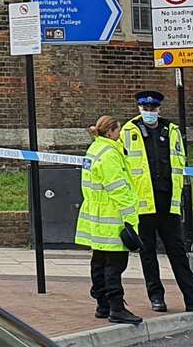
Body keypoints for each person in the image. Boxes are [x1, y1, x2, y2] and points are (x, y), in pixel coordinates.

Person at [120, 90, 193, 314]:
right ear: (139, 108)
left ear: (158, 109)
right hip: (143, 203)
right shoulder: (128, 131)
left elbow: (179, 163)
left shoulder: (171, 130)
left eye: (152, 108)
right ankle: (156, 297)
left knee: (178, 252)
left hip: (168, 201)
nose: (149, 112)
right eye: (145, 109)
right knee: (148, 254)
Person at [75, 114, 141, 326]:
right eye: (118, 131)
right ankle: (117, 308)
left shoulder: (94, 149)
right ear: (111, 131)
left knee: (99, 262)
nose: (120, 134)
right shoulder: (110, 154)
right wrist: (131, 216)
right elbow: (118, 188)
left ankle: (102, 305)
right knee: (115, 265)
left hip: (96, 216)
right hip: (113, 217)